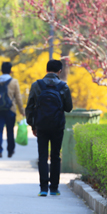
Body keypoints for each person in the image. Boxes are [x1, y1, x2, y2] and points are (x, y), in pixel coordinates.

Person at [25, 60, 73, 197]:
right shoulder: (63, 86)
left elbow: (29, 107)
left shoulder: (37, 85)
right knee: (56, 156)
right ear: (59, 71)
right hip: (58, 126)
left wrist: (33, 125)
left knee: (43, 156)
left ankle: (43, 188)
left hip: (41, 126)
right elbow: (69, 108)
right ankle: (54, 188)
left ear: (46, 70)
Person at [0, 62, 25, 158]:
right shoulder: (14, 82)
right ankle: (10, 151)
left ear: (1, 70)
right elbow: (18, 98)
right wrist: (22, 111)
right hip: (10, 109)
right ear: (10, 70)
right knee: (10, 131)